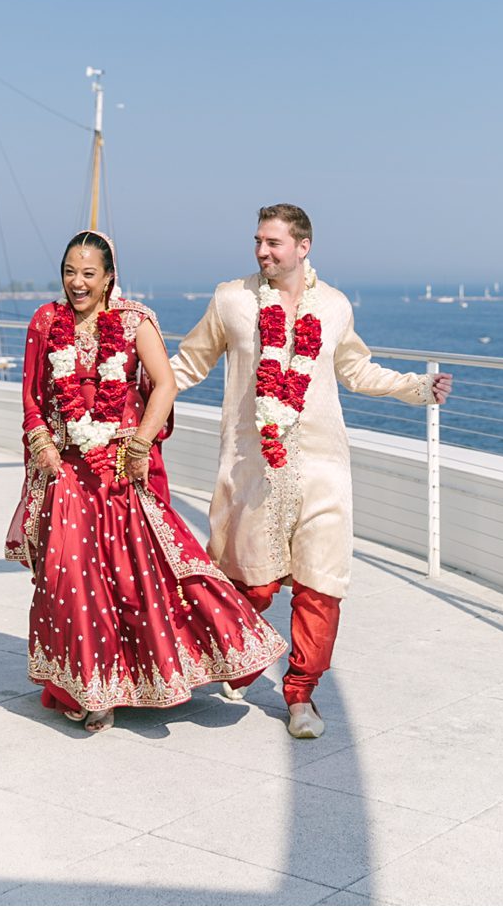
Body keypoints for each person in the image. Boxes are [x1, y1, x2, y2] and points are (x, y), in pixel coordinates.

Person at [169, 204, 453, 739]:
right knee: (246, 582)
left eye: (273, 243)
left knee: (320, 585)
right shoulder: (231, 299)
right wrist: (132, 405)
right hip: (252, 467)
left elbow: (355, 368)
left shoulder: (336, 307)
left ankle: (302, 696)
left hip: (324, 466)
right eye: (257, 241)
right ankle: (242, 661)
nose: (261, 251)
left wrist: (416, 388)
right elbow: (188, 364)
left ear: (303, 247)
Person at [6, 231, 286, 732]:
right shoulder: (46, 321)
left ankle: (154, 669)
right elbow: (30, 395)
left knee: (132, 576)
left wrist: (138, 444)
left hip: (120, 470)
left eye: (89, 273)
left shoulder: (135, 321)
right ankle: (93, 689)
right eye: (70, 271)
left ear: (109, 276)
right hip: (66, 468)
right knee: (70, 576)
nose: (77, 282)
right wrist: (42, 443)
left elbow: (166, 385)